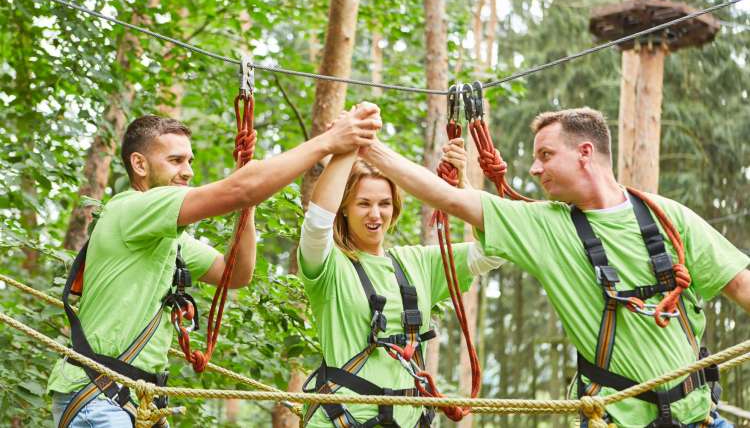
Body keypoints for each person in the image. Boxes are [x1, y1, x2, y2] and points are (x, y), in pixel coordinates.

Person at [360, 107, 750, 427]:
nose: (533, 168)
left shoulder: (667, 217)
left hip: (699, 417)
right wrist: (369, 147)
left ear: (584, 152)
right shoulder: (546, 226)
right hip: (614, 419)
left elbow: (740, 287)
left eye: (545, 155)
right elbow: (447, 198)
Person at [48, 105, 382, 428]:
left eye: (189, 161)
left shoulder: (168, 241)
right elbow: (241, 188)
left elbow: (235, 273)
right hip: (98, 397)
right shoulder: (132, 209)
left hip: (131, 399)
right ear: (139, 164)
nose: (188, 171)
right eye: (175, 160)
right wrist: (328, 141)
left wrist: (246, 207)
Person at [297, 134, 505, 427]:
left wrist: (463, 192)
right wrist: (345, 145)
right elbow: (317, 224)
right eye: (363, 203)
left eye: (384, 203)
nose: (375, 214)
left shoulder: (418, 263)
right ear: (344, 208)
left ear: (394, 207)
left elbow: (498, 249)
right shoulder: (329, 266)